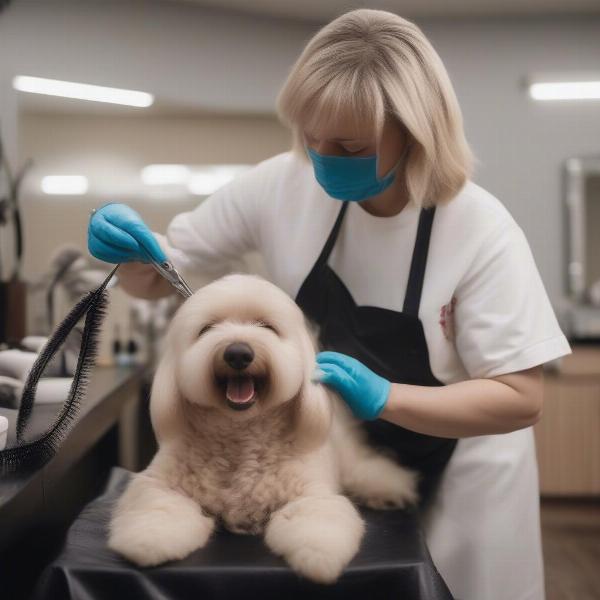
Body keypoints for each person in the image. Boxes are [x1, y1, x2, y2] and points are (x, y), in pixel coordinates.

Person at [87, 9, 571, 600]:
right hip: (332, 456)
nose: (321, 157)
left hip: (462, 466)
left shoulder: (480, 228)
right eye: (311, 137)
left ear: (416, 132)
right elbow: (164, 274)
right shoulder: (282, 184)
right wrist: (132, 254)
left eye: (347, 145)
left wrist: (387, 398)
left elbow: (521, 397)